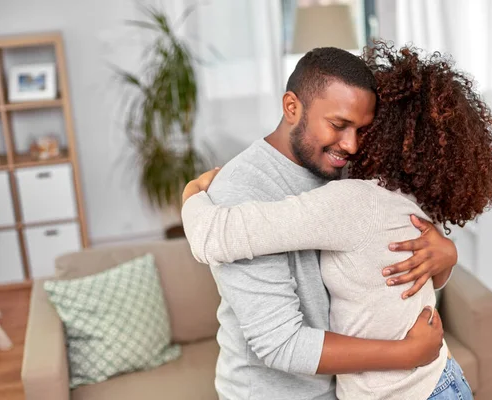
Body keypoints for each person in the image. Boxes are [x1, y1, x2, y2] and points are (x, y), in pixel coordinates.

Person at [183, 47, 460, 400]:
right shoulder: (241, 189)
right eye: (338, 125)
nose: (351, 144)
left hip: (342, 386)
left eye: (361, 129)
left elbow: (392, 268)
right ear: (292, 108)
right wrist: (406, 353)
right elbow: (280, 344)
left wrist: (445, 254)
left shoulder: (345, 172)